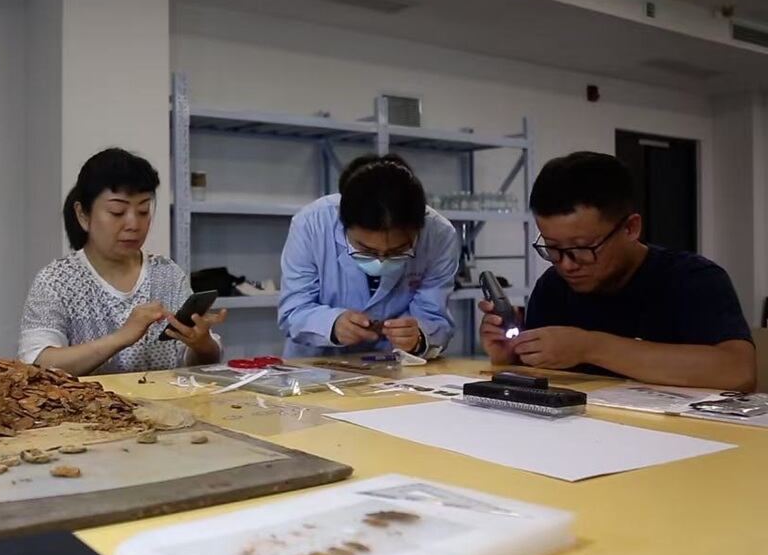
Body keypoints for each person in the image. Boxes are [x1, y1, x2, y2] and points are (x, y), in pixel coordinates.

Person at [479, 151, 754, 390]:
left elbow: (737, 372)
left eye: (582, 247)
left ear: (630, 228)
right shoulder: (554, 287)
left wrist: (589, 347)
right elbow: (545, 381)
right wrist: (510, 359)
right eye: (552, 248)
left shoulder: (691, 279)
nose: (566, 264)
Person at [20, 148, 225, 375]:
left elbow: (197, 361)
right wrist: (122, 337)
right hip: (89, 410)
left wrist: (202, 344)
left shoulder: (167, 274)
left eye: (143, 210)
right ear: (82, 215)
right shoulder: (56, 281)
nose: (133, 224)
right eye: (117, 212)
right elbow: (37, 364)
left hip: (164, 407)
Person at [278, 155, 460, 358]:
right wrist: (332, 324)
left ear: (419, 230)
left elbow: (434, 316)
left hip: (396, 367)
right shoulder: (311, 224)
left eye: (397, 251)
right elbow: (292, 312)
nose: (381, 261)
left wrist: (418, 337)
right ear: (343, 225)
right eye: (366, 250)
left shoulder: (439, 235)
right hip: (316, 365)